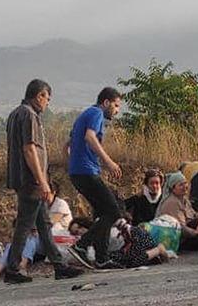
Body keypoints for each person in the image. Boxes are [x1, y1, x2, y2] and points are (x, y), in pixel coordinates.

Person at [4, 79, 83, 284]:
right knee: (24, 224)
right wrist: (43, 181)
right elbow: (30, 149)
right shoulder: (29, 115)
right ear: (39, 95)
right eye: (46, 98)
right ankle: (12, 268)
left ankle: (58, 265)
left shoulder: (14, 114)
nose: (47, 103)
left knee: (44, 223)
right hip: (31, 180)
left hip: (22, 178)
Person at [67, 87, 124, 269]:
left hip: (78, 172)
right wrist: (109, 163)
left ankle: (101, 258)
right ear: (106, 102)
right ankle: (81, 245)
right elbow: (90, 137)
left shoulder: (84, 114)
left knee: (102, 213)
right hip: (86, 171)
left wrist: (71, 162)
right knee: (114, 211)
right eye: (116, 105)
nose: (117, 110)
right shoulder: (96, 113)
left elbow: (67, 144)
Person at [155, 172, 198, 250]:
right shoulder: (171, 202)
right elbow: (180, 228)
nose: (185, 187)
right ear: (173, 188)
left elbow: (193, 215)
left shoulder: (183, 199)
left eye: (185, 183)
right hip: (178, 239)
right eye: (181, 185)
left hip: (188, 232)